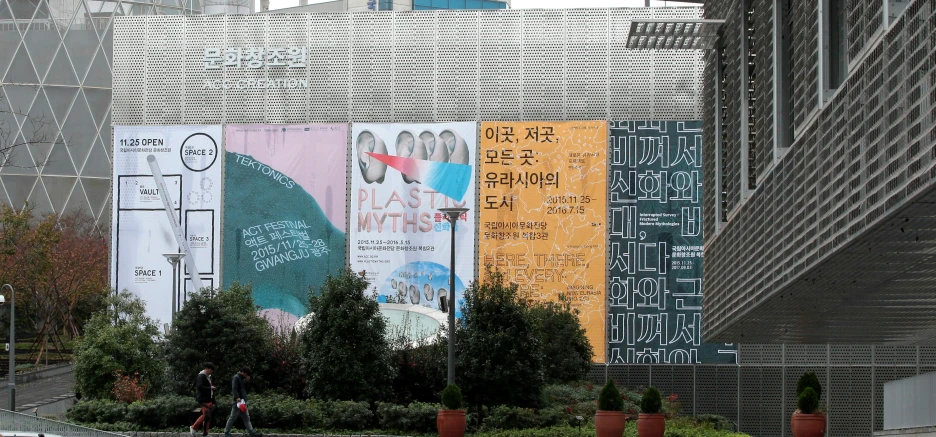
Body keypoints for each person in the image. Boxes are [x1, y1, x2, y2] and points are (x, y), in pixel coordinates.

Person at [224, 367, 262, 437]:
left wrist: (247, 382)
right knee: (232, 417)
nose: (246, 376)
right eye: (246, 374)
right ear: (243, 372)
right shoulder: (236, 377)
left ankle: (251, 432)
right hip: (237, 401)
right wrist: (237, 397)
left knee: (246, 417)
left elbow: (244, 389)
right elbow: (234, 388)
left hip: (242, 401)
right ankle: (227, 432)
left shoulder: (242, 378)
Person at [191, 362, 217, 436]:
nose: (211, 372)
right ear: (206, 369)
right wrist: (210, 388)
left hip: (209, 398)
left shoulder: (208, 377)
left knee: (208, 417)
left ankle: (205, 433)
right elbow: (199, 387)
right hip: (203, 399)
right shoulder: (201, 376)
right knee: (206, 415)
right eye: (211, 370)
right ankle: (194, 427)